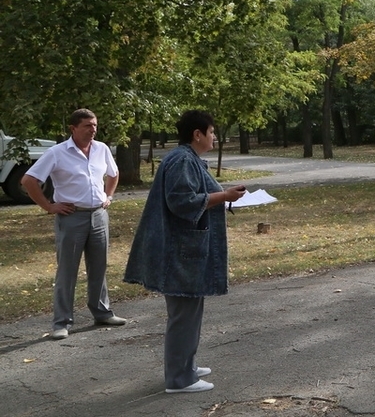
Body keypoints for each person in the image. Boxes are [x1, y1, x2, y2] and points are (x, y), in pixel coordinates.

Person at [123, 111, 246, 393]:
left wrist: (224, 195)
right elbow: (182, 202)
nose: (214, 137)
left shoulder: (187, 159)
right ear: (197, 134)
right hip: (179, 251)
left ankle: (186, 365)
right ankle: (179, 379)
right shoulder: (181, 160)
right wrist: (225, 196)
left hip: (187, 250)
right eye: (212, 132)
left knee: (190, 310)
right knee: (183, 314)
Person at [21, 109, 125, 340]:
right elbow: (29, 180)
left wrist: (108, 196)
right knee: (67, 271)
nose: (93, 130)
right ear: (73, 128)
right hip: (71, 217)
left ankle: (102, 312)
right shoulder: (57, 153)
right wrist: (49, 206)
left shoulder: (102, 149)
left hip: (98, 215)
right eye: (88, 125)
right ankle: (62, 322)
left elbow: (114, 173)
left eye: (95, 125)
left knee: (99, 266)